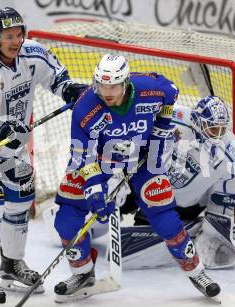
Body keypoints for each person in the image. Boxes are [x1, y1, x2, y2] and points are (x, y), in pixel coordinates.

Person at [52, 54, 220, 303]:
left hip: (143, 158)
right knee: (66, 219)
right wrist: (95, 191)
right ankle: (82, 273)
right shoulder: (85, 108)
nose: (107, 92)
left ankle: (196, 272)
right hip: (99, 160)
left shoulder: (151, 89)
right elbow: (82, 157)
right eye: (101, 86)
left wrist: (162, 126)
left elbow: (171, 91)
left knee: (165, 219)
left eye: (113, 86)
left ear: (126, 83)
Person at [0, 7, 87, 307]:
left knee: (19, 204)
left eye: (19, 34)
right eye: (8, 36)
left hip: (13, 147)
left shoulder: (33, 55)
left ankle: (12, 265)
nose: (16, 41)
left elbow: (58, 79)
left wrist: (70, 90)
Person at [120, 96, 235, 269]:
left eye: (221, 129)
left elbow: (224, 196)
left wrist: (216, 227)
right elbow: (137, 122)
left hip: (183, 204)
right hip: (149, 181)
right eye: (212, 128)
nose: (217, 135)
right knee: (118, 191)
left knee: (151, 228)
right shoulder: (174, 116)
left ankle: (187, 228)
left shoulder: (233, 155)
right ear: (196, 121)